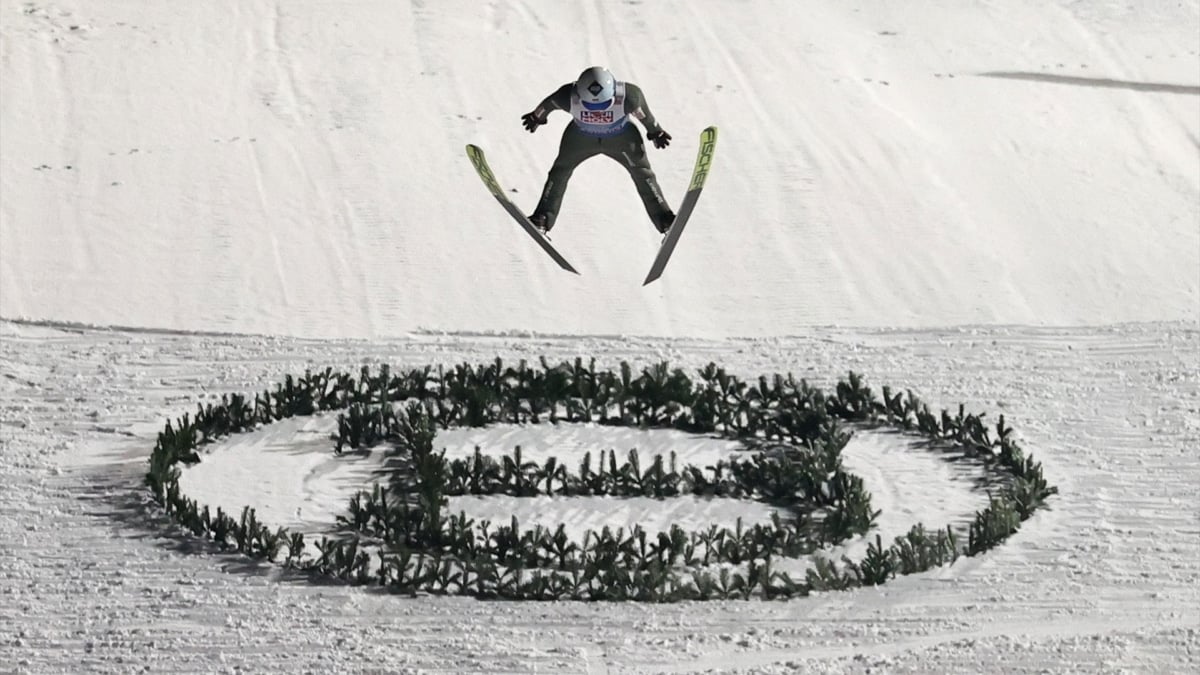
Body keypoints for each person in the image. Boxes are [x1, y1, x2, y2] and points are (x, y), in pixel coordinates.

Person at [521, 66, 675, 236]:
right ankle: (542, 218)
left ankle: (664, 218)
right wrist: (537, 116)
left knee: (643, 173)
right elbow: (548, 104)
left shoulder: (629, 96)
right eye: (590, 106)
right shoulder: (568, 96)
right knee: (559, 172)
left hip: (621, 139)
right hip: (581, 139)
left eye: (603, 105)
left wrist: (656, 131)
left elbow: (646, 116)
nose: (597, 110)